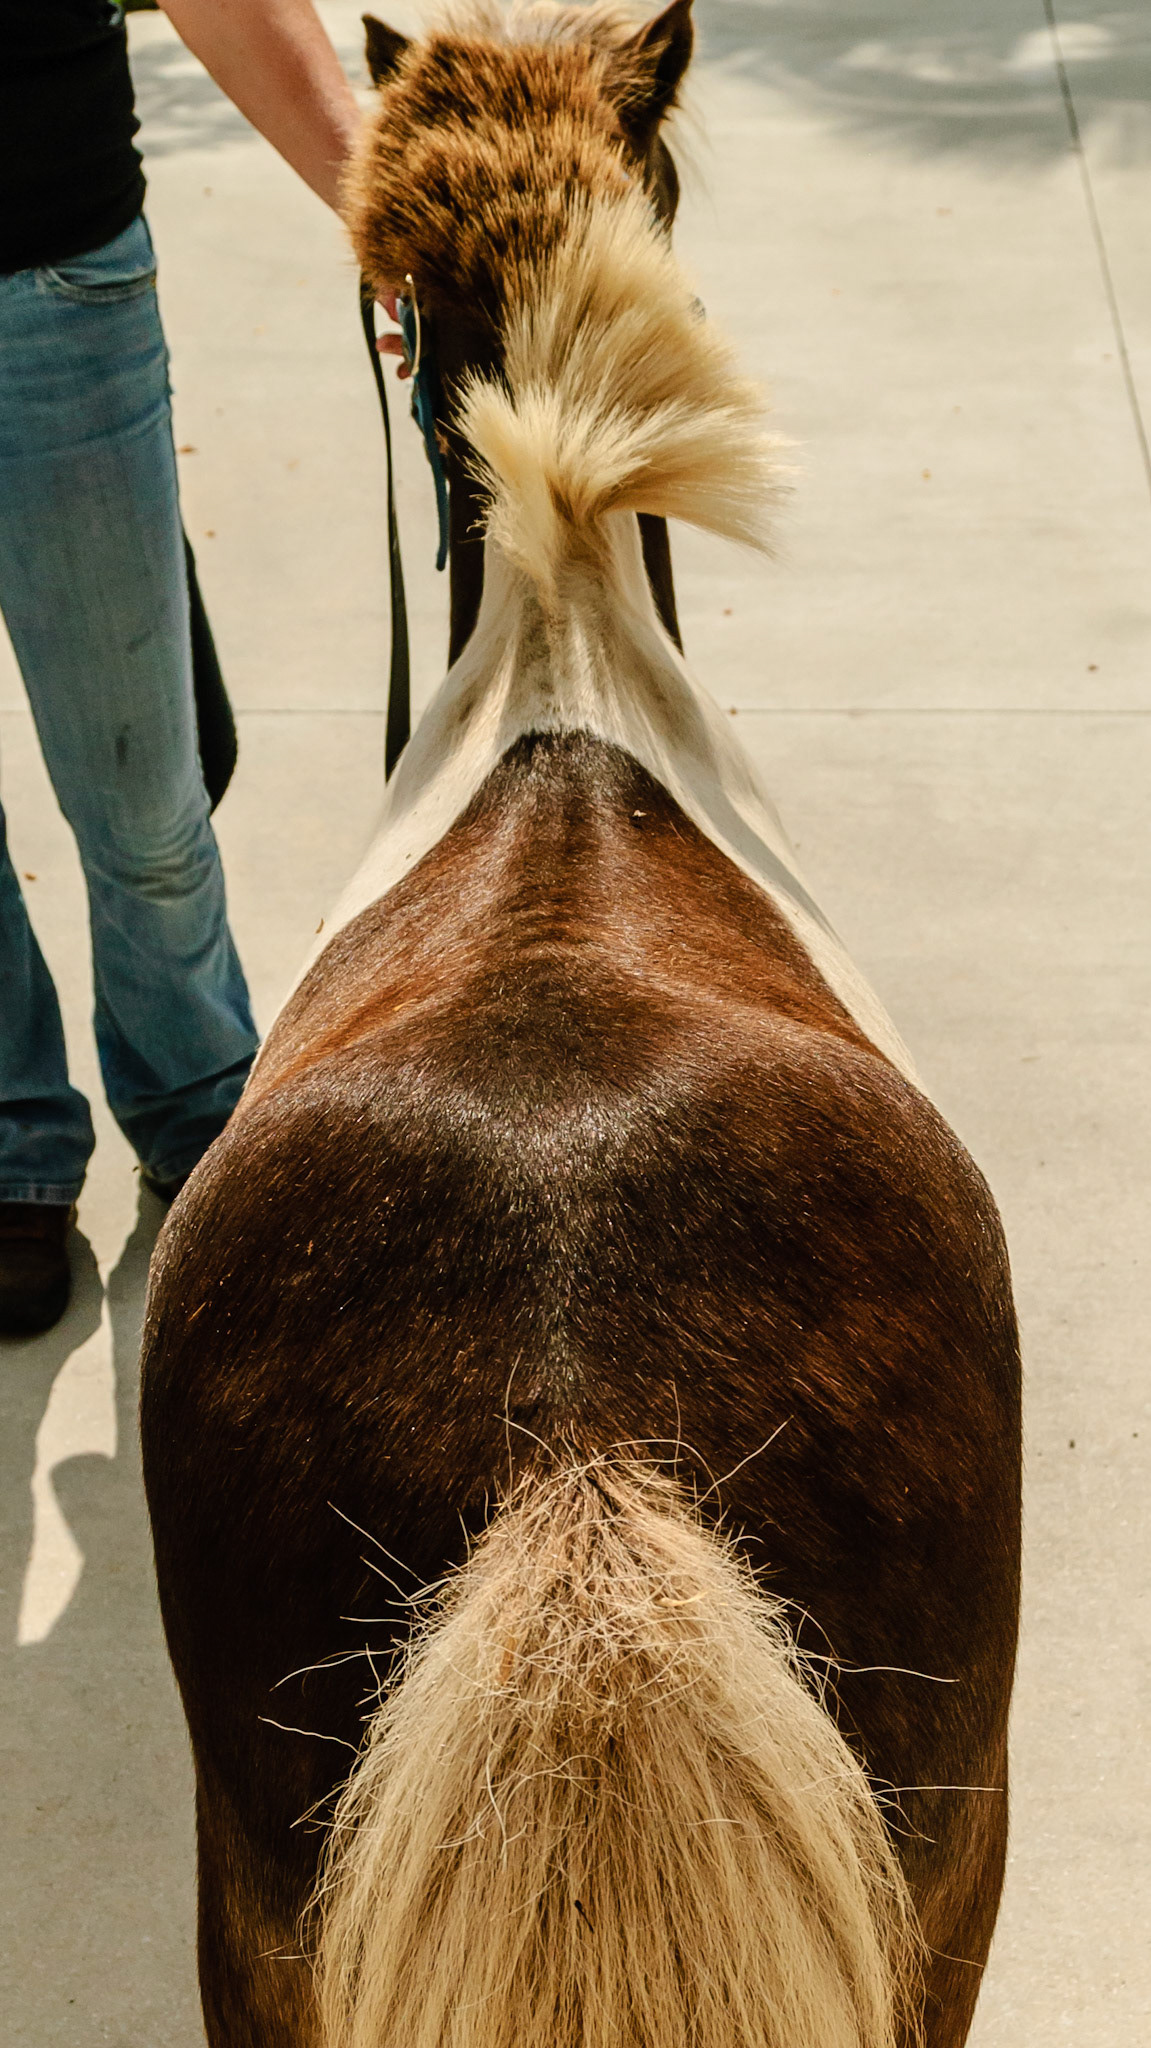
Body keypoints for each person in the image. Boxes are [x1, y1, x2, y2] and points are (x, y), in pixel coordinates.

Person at [0, 0, 368, 1336]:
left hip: (46, 272)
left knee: (143, 794)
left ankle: (200, 1101)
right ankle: (11, 1149)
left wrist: (381, 205)